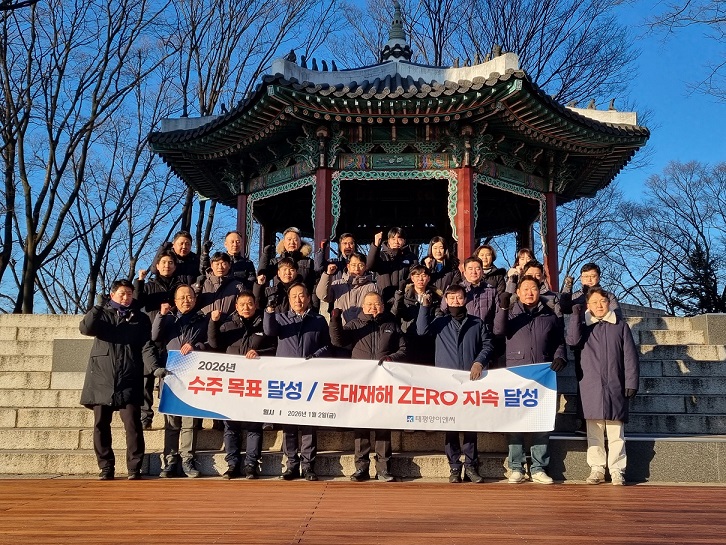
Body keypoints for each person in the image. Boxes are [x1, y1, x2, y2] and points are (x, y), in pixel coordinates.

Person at [79, 279, 157, 480]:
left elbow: (146, 345)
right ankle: (106, 467)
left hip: (129, 376)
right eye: (122, 293)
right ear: (112, 295)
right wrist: (98, 307)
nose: (126, 297)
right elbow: (86, 329)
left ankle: (134, 468)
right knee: (100, 425)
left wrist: (154, 367)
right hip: (102, 376)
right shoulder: (102, 314)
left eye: (129, 294)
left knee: (133, 424)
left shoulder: (140, 318)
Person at [494, 276, 568, 485]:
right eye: (525, 289)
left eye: (533, 288)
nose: (529, 292)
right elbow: (498, 330)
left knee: (542, 422)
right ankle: (516, 467)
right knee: (515, 422)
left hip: (542, 376)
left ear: (539, 291)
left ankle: (538, 467)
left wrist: (560, 356)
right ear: (518, 292)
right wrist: (503, 307)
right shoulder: (511, 313)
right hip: (516, 376)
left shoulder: (549, 315)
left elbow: (559, 341)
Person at [417, 284, 493, 484]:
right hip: (447, 382)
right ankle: (454, 466)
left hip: (471, 381)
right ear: (446, 300)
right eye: (451, 298)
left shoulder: (476, 323)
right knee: (450, 424)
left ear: (465, 299)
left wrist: (479, 362)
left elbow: (488, 345)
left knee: (470, 425)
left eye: (458, 297)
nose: (455, 301)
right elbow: (421, 331)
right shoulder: (440, 322)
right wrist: (424, 307)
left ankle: (471, 466)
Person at [329, 292, 406, 482]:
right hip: (361, 383)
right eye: (369, 305)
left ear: (383, 306)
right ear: (363, 307)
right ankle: (361, 467)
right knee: (361, 425)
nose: (373, 308)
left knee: (383, 425)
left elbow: (403, 349)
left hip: (384, 382)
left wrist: (391, 358)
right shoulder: (355, 324)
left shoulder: (391, 325)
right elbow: (338, 341)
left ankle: (384, 468)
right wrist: (335, 320)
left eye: (377, 304)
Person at [566, 288, 639, 486]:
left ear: (609, 303)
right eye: (595, 302)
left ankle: (617, 470)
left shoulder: (620, 326)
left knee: (616, 432)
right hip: (591, 385)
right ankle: (597, 468)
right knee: (594, 431)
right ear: (588, 305)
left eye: (603, 301)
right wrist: (575, 316)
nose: (599, 305)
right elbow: (572, 341)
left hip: (615, 384)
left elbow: (630, 356)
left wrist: (631, 381)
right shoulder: (583, 326)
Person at [263, 283, 331, 481]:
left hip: (310, 378)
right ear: (289, 299)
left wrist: (315, 356)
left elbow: (327, 345)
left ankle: (308, 465)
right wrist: (269, 310)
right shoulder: (281, 318)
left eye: (301, 296)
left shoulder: (318, 320)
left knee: (308, 422)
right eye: (294, 296)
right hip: (288, 379)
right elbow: (269, 331)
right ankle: (291, 464)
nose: (298, 300)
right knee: (289, 423)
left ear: (308, 298)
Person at [207, 292, 276, 479]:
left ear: (255, 305)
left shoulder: (264, 325)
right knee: (231, 425)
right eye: (242, 304)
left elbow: (275, 348)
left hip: (255, 383)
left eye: (250, 303)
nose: (246, 307)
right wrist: (213, 323)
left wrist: (260, 353)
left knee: (254, 425)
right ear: (236, 307)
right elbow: (214, 344)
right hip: (232, 383)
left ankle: (251, 464)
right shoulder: (228, 325)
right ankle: (232, 464)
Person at [152, 285, 208, 478]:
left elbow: (211, 343)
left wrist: (196, 346)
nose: (186, 300)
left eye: (190, 297)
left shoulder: (202, 320)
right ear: (175, 301)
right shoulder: (167, 319)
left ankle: (187, 459)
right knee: (171, 423)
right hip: (170, 377)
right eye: (182, 297)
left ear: (195, 299)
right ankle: (170, 460)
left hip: (192, 378)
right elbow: (154, 336)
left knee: (189, 423)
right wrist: (161, 315)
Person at [134, 250, 183, 429]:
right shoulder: (148, 286)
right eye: (163, 263)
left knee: (169, 378)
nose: (167, 266)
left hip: (172, 336)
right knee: (146, 379)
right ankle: (145, 418)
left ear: (175, 266)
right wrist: (139, 281)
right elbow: (136, 302)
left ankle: (171, 418)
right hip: (150, 336)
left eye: (170, 263)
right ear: (157, 266)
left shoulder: (180, 287)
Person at [391, 264, 442, 366]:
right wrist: (399, 294)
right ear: (412, 278)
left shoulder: (436, 297)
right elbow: (395, 312)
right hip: (407, 338)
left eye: (423, 276)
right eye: (417, 276)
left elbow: (439, 315)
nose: (420, 279)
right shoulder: (404, 295)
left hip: (427, 341)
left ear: (428, 278)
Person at [316, 252, 378, 324]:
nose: (357, 269)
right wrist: (328, 275)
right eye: (353, 265)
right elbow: (323, 296)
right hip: (342, 327)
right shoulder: (338, 284)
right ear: (348, 266)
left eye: (360, 265)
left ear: (365, 267)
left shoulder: (371, 287)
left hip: (365, 327)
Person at [366, 227, 418, 309]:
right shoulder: (381, 255)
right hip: (383, 299)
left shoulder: (411, 257)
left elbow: (414, 276)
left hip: (404, 300)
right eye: (393, 238)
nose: (396, 241)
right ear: (388, 240)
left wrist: (403, 289)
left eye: (399, 238)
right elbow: (369, 266)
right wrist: (375, 245)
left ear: (404, 241)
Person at [258, 227, 316, 297]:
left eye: (295, 240)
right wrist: (265, 255)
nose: (292, 242)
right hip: (280, 299)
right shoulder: (275, 261)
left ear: (300, 243)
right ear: (284, 243)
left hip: (300, 299)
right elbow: (262, 276)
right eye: (289, 239)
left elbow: (314, 285)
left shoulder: (309, 262)